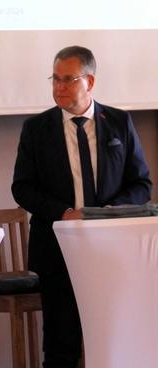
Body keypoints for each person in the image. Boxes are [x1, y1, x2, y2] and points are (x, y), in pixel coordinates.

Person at [11, 46, 152, 367]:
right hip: (58, 248)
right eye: (54, 79)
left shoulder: (118, 122)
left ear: (89, 81)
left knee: (118, 338)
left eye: (68, 80)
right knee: (62, 343)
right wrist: (64, 213)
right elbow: (22, 188)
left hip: (115, 251)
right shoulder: (36, 128)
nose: (58, 87)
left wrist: (109, 214)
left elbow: (141, 184)